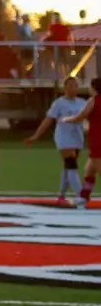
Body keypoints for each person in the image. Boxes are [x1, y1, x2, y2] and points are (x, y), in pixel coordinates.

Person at [25, 77, 89, 203]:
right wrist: (36, 136)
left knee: (68, 167)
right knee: (71, 164)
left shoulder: (82, 102)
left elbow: (88, 118)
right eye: (71, 86)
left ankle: (61, 194)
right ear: (65, 88)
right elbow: (48, 120)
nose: (74, 89)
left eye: (76, 86)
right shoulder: (59, 103)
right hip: (64, 137)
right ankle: (80, 195)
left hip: (77, 137)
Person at [59, 77, 101, 208]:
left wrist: (66, 119)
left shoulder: (93, 100)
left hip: (97, 140)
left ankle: (83, 197)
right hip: (96, 138)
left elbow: (81, 116)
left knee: (97, 169)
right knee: (89, 171)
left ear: (94, 87)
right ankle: (83, 197)